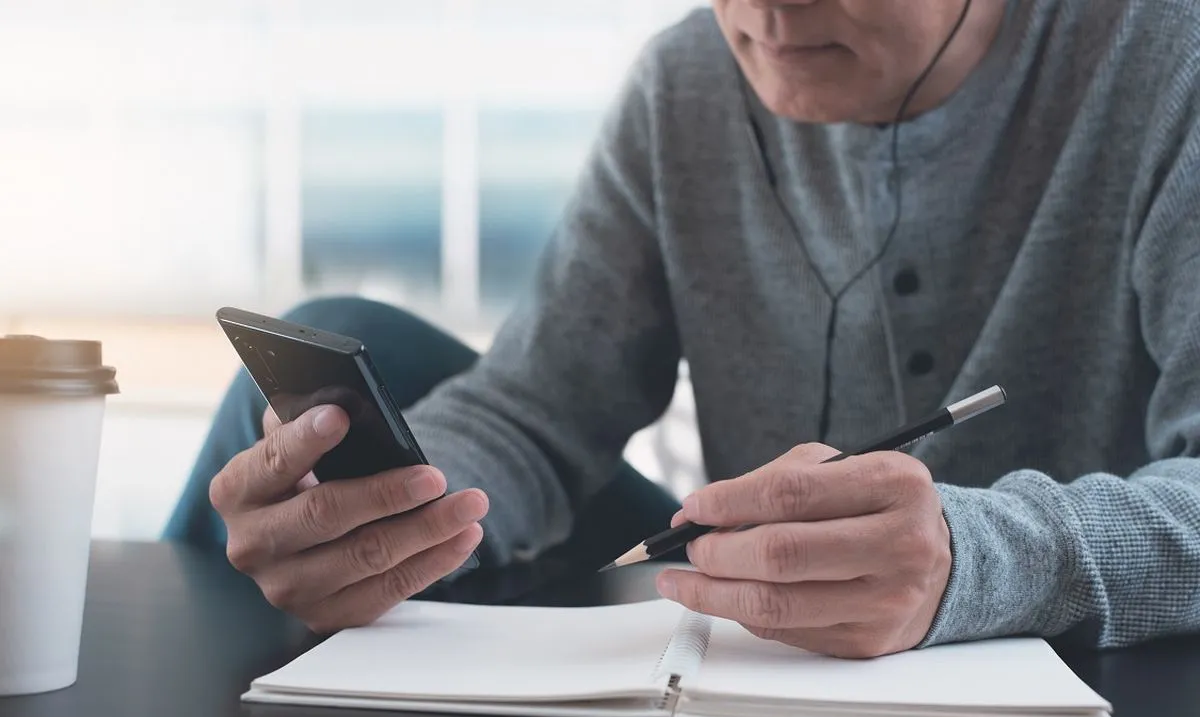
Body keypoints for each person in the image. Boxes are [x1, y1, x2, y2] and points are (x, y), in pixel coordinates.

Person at [164, 0, 1200, 658]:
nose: (767, 15)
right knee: (334, 366)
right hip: (749, 626)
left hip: (1109, 678)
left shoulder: (1164, 57)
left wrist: (981, 558)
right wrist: (389, 518)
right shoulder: (689, 79)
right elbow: (537, 402)